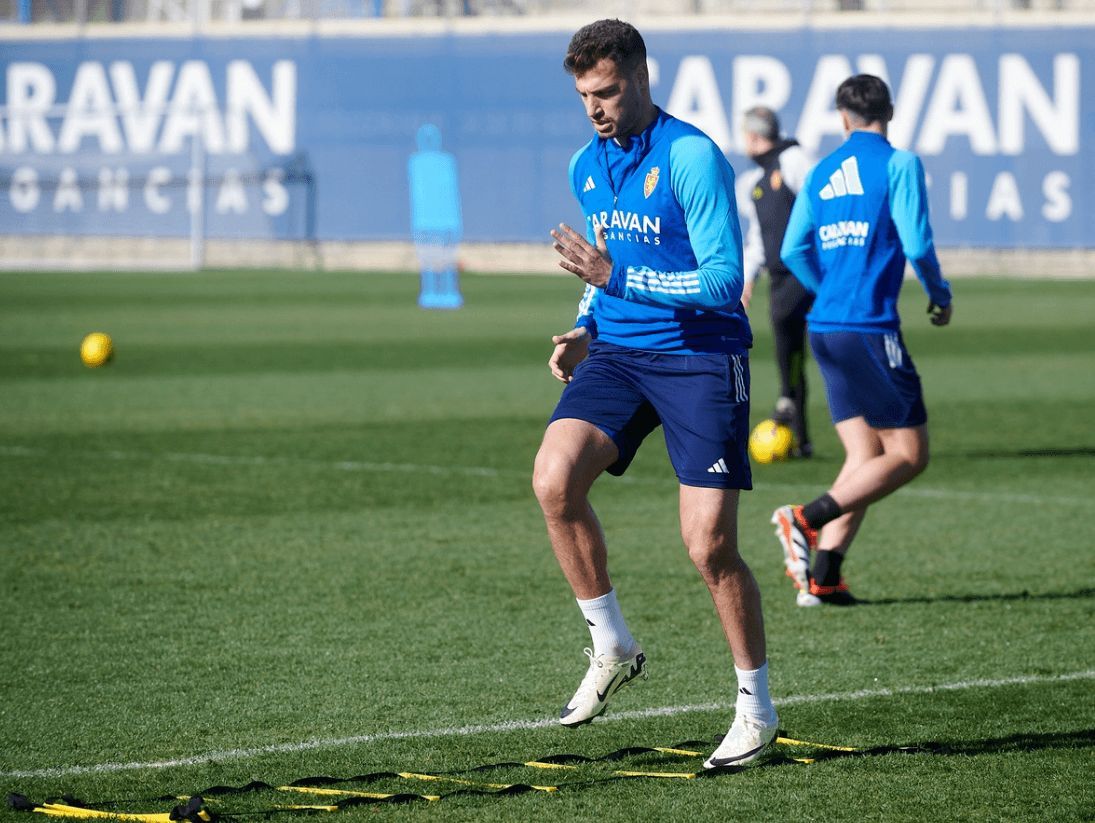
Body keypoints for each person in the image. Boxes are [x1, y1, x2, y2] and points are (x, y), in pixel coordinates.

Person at [533, 19, 778, 768]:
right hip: (617, 351)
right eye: (582, 96)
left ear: (641, 76)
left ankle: (756, 708)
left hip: (700, 357)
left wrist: (615, 283)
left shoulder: (692, 157)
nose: (594, 108)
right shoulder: (586, 163)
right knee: (553, 479)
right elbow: (605, 267)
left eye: (605, 92)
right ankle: (611, 642)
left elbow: (721, 283)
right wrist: (584, 322)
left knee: (708, 546)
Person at [775, 74, 953, 607]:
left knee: (866, 454)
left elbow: (792, 250)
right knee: (910, 454)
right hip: (870, 328)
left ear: (843, 117)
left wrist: (826, 290)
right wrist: (939, 293)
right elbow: (918, 241)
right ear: (890, 112)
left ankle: (823, 578)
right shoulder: (899, 164)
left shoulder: (823, 170)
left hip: (825, 327)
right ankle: (803, 520)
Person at [737, 107, 815, 456]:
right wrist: (748, 278)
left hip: (809, 274)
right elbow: (759, 234)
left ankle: (790, 407)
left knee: (801, 344)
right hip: (781, 279)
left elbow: (821, 207)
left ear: (753, 137)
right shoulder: (756, 182)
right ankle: (799, 433)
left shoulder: (796, 162)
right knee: (789, 350)